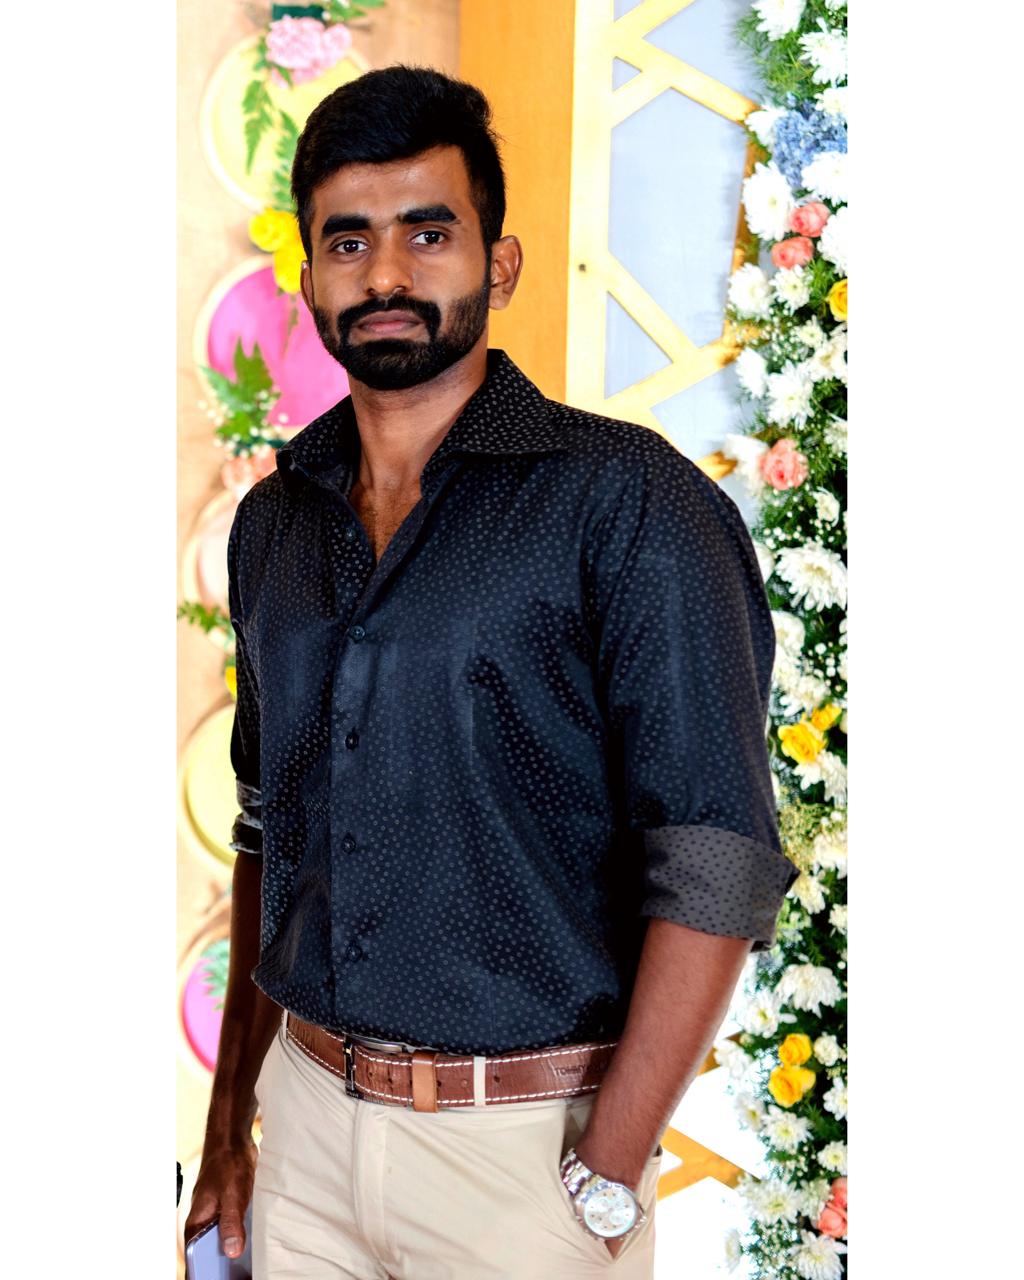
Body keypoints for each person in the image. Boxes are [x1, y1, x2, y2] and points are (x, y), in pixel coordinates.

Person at [184, 65, 798, 1279]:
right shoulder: (276, 524)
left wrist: (608, 1167)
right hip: (302, 1133)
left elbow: (716, 861)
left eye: (429, 232)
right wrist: (228, 1130)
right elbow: (266, 828)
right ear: (309, 279)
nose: (386, 274)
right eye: (348, 240)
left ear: (499, 265)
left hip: (525, 1161)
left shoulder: (629, 503)